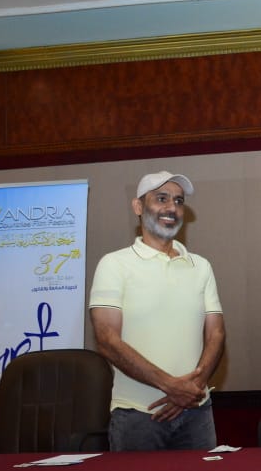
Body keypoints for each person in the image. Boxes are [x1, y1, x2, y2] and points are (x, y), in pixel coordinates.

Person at [90, 171, 226, 451]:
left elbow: (216, 334)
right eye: (161, 199)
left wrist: (190, 390)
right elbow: (107, 339)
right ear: (138, 207)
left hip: (197, 412)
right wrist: (170, 386)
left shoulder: (201, 266)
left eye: (178, 201)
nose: (171, 208)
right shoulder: (114, 265)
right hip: (138, 416)